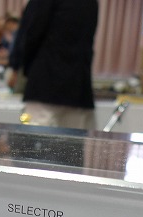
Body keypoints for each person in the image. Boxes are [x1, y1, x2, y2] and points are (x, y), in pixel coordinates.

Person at [8, 0, 98, 130]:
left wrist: (19, 68)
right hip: (78, 87)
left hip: (44, 83)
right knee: (74, 140)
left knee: (36, 139)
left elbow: (30, 34)